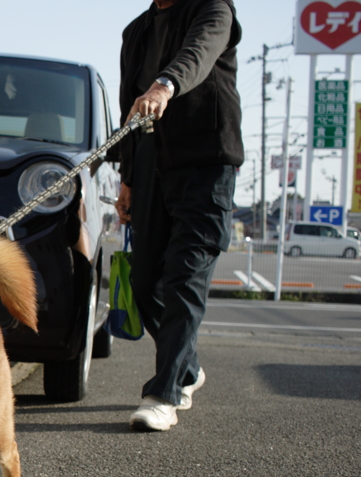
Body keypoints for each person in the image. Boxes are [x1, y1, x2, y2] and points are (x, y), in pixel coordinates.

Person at [113, 0, 243, 431]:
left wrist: (164, 85)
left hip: (207, 162)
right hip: (151, 164)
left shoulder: (213, 10)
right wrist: (127, 176)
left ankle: (164, 393)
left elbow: (197, 55)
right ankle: (187, 368)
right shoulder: (137, 32)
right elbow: (129, 108)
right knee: (144, 279)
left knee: (185, 275)